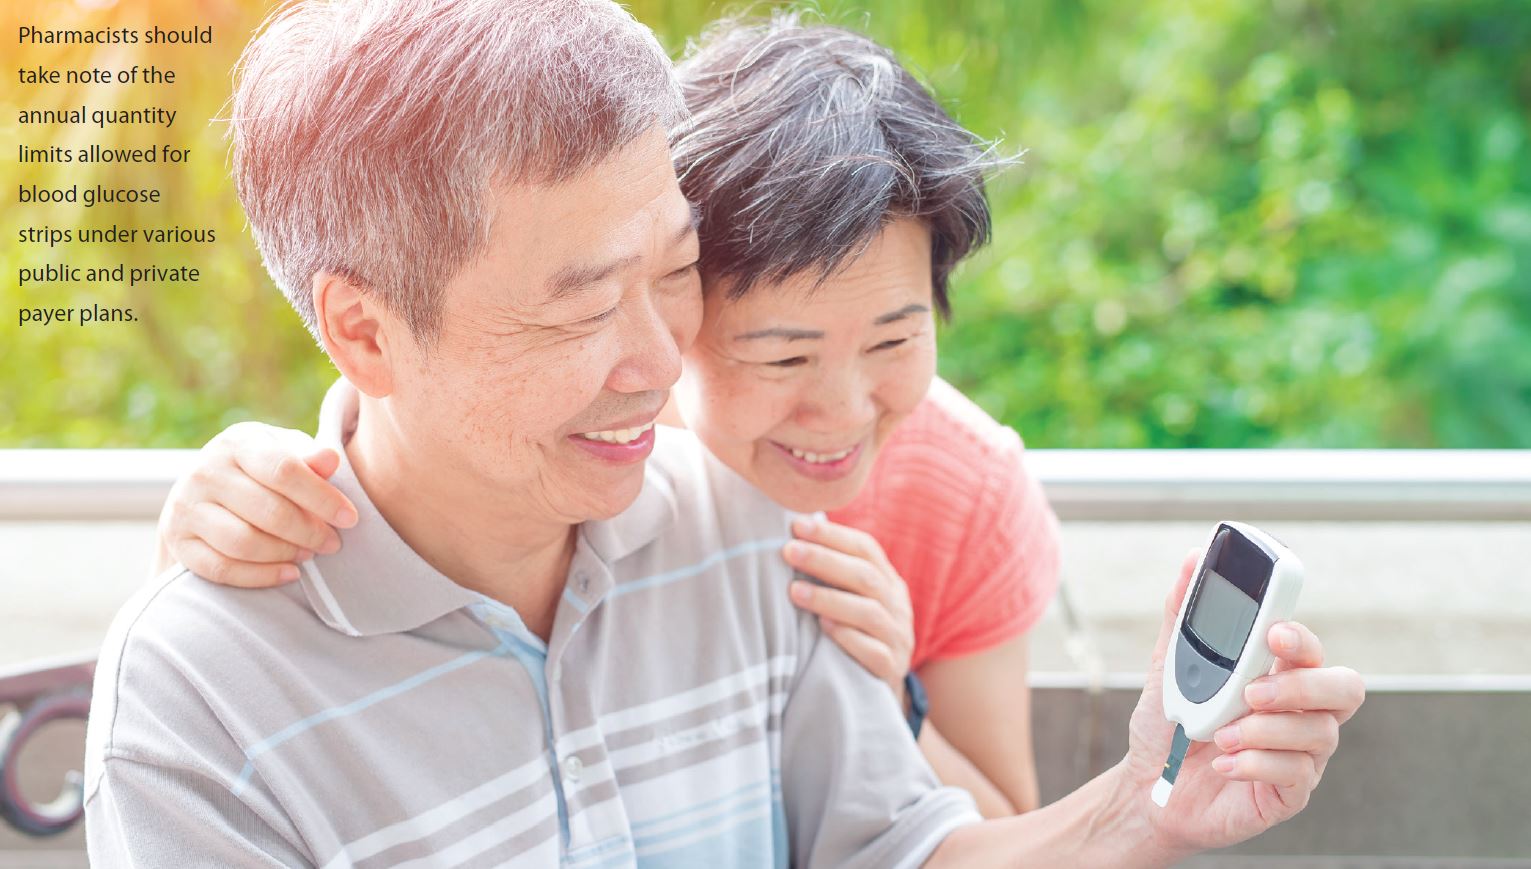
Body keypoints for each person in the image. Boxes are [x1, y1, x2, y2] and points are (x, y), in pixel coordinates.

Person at [87, 0, 1365, 866]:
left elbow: (903, 847)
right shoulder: (196, 696)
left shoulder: (743, 523)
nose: (657, 362)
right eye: (584, 303)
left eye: (677, 271)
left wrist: (1152, 794)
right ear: (363, 335)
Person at [155, 13, 1063, 817]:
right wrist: (225, 508)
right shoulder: (587, 423)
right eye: (779, 354)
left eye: (894, 342)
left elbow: (1000, 819)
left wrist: (886, 698)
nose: (838, 409)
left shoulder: (961, 490)